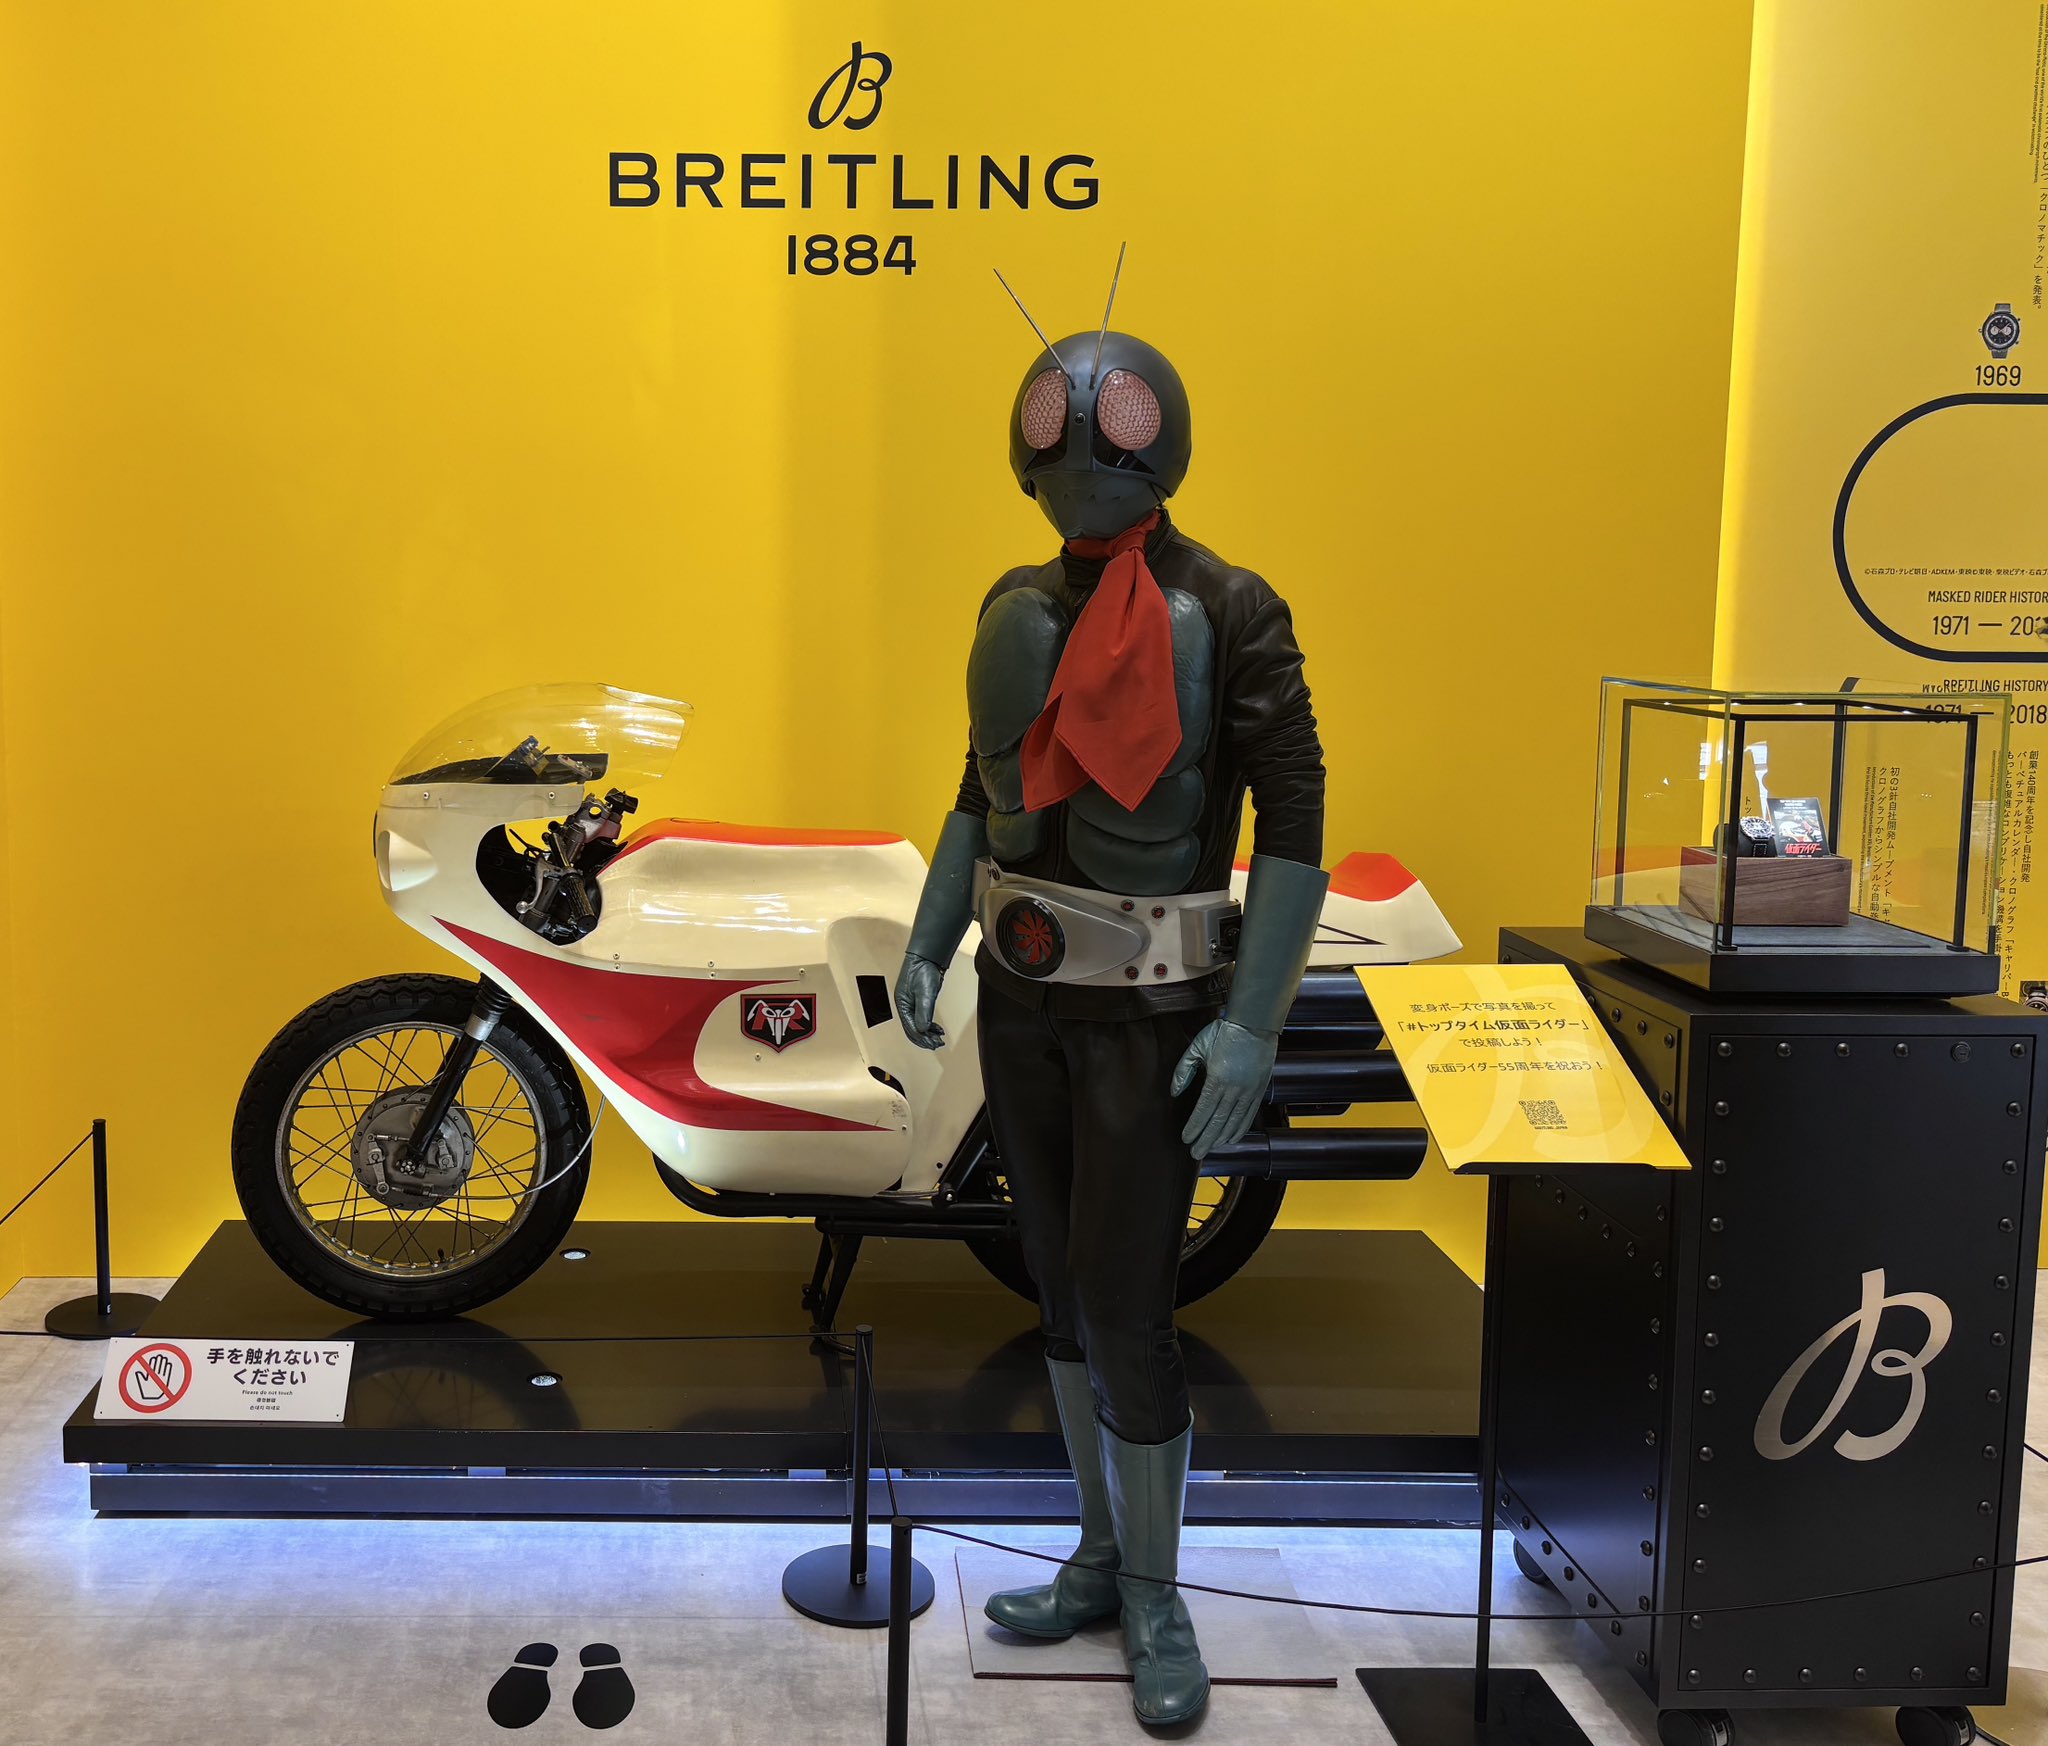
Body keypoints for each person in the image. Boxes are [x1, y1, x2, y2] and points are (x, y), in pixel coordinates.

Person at [895, 282, 1327, 1729]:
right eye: (1058, 423)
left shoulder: (1233, 608)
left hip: (1155, 1012)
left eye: (1111, 419)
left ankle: (1156, 1589)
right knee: (1060, 1286)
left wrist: (1253, 1021)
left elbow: (1296, 821)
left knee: (1131, 1298)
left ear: (1163, 438)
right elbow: (981, 788)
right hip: (1022, 998)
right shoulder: (1012, 607)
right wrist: (932, 935)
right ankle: (1099, 1552)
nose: (1082, 441)